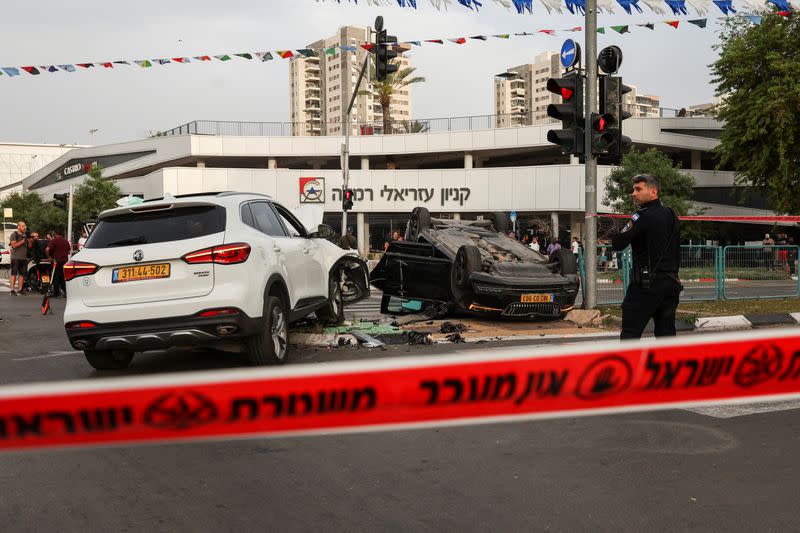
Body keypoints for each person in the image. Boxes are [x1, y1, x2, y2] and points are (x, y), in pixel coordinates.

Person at [611, 174, 682, 340]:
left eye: (638, 189)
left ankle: (631, 366)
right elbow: (677, 248)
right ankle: (667, 365)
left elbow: (618, 243)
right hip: (671, 284)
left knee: (630, 333)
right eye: (633, 189)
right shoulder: (671, 214)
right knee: (666, 335)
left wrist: (620, 229)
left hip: (646, 285)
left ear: (653, 191)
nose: (633, 193)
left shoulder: (641, 216)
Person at [8, 221, 33, 296]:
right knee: (14, 274)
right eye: (22, 226)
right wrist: (23, 241)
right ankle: (12, 290)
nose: (24, 227)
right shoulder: (14, 234)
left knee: (22, 275)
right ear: (18, 227)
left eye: (25, 226)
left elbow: (29, 247)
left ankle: (20, 289)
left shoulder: (25, 235)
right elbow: (14, 245)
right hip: (15, 257)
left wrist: (30, 241)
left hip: (23, 258)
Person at [46, 229, 71, 297]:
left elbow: (47, 249)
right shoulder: (66, 241)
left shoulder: (54, 240)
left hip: (56, 261)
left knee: (55, 276)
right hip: (64, 261)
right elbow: (68, 251)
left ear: (56, 234)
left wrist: (49, 257)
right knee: (63, 277)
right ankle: (65, 291)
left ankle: (56, 292)